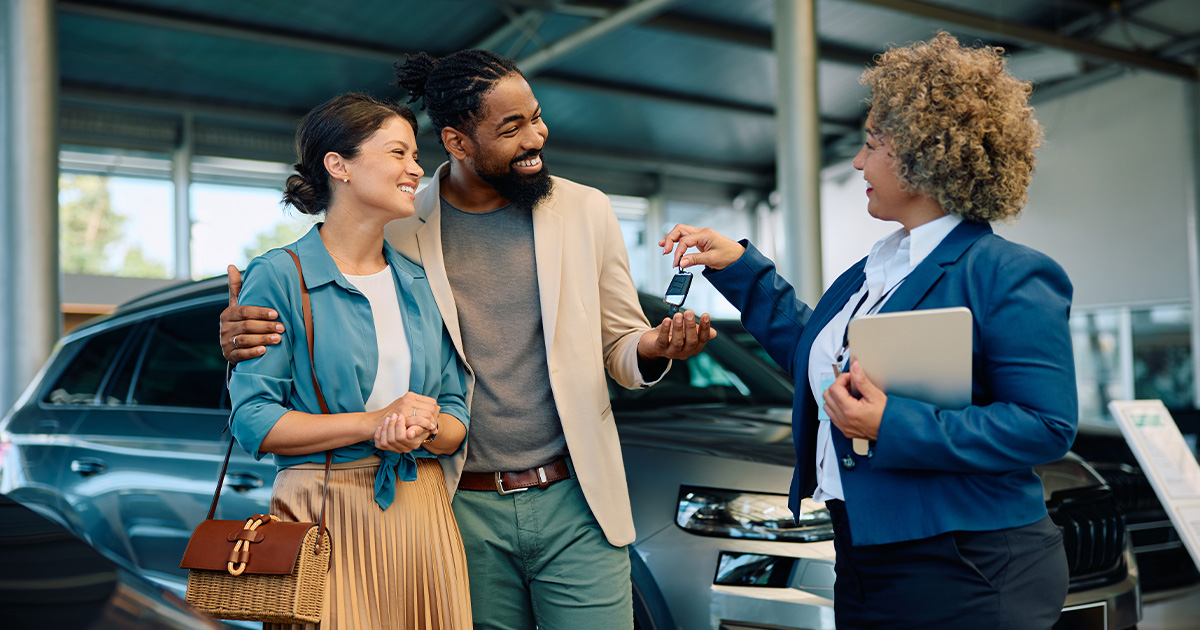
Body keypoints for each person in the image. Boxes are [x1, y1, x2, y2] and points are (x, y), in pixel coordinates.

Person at [221, 49, 714, 630]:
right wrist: (238, 330)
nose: (538, 135)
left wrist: (655, 348)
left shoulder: (586, 211)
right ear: (457, 142)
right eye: (512, 126)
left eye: (536, 116)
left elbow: (620, 345)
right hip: (452, 504)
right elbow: (327, 296)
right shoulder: (400, 224)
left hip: (576, 496)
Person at [660, 32, 1075, 629]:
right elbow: (819, 360)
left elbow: (1046, 426)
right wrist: (739, 269)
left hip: (969, 563)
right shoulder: (876, 268)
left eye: (872, 145)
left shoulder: (1009, 273)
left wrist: (890, 424)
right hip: (864, 553)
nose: (858, 162)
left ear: (924, 155)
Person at [228, 93, 472, 629]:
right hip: (323, 517)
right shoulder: (280, 275)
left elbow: (455, 414)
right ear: (338, 165)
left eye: (415, 154)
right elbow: (255, 421)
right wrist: (374, 424)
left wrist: (423, 427)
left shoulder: (418, 281)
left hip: (422, 515)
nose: (416, 168)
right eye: (397, 153)